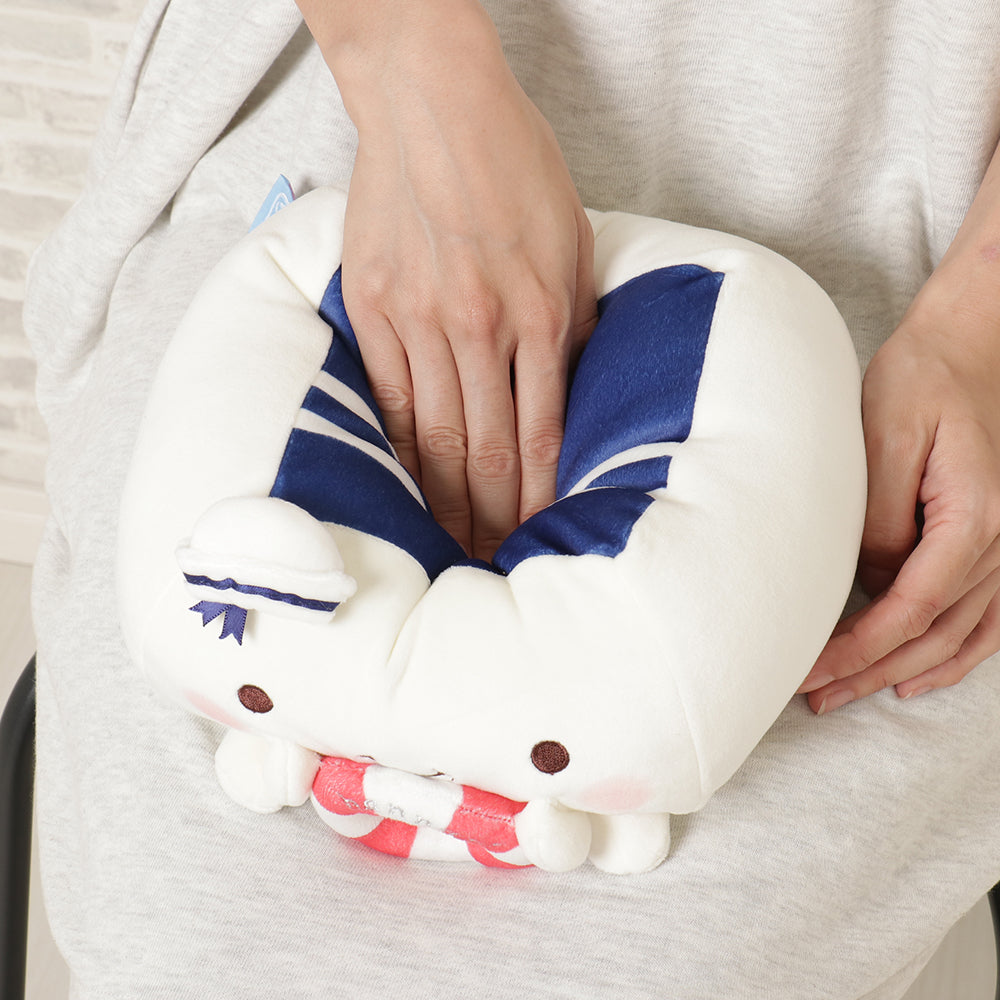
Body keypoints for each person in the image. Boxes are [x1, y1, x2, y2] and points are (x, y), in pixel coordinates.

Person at [22, 0, 1000, 997]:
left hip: (904, 243)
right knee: (186, 940)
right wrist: (405, 68)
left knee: (672, 962)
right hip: (345, 168)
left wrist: (980, 328)